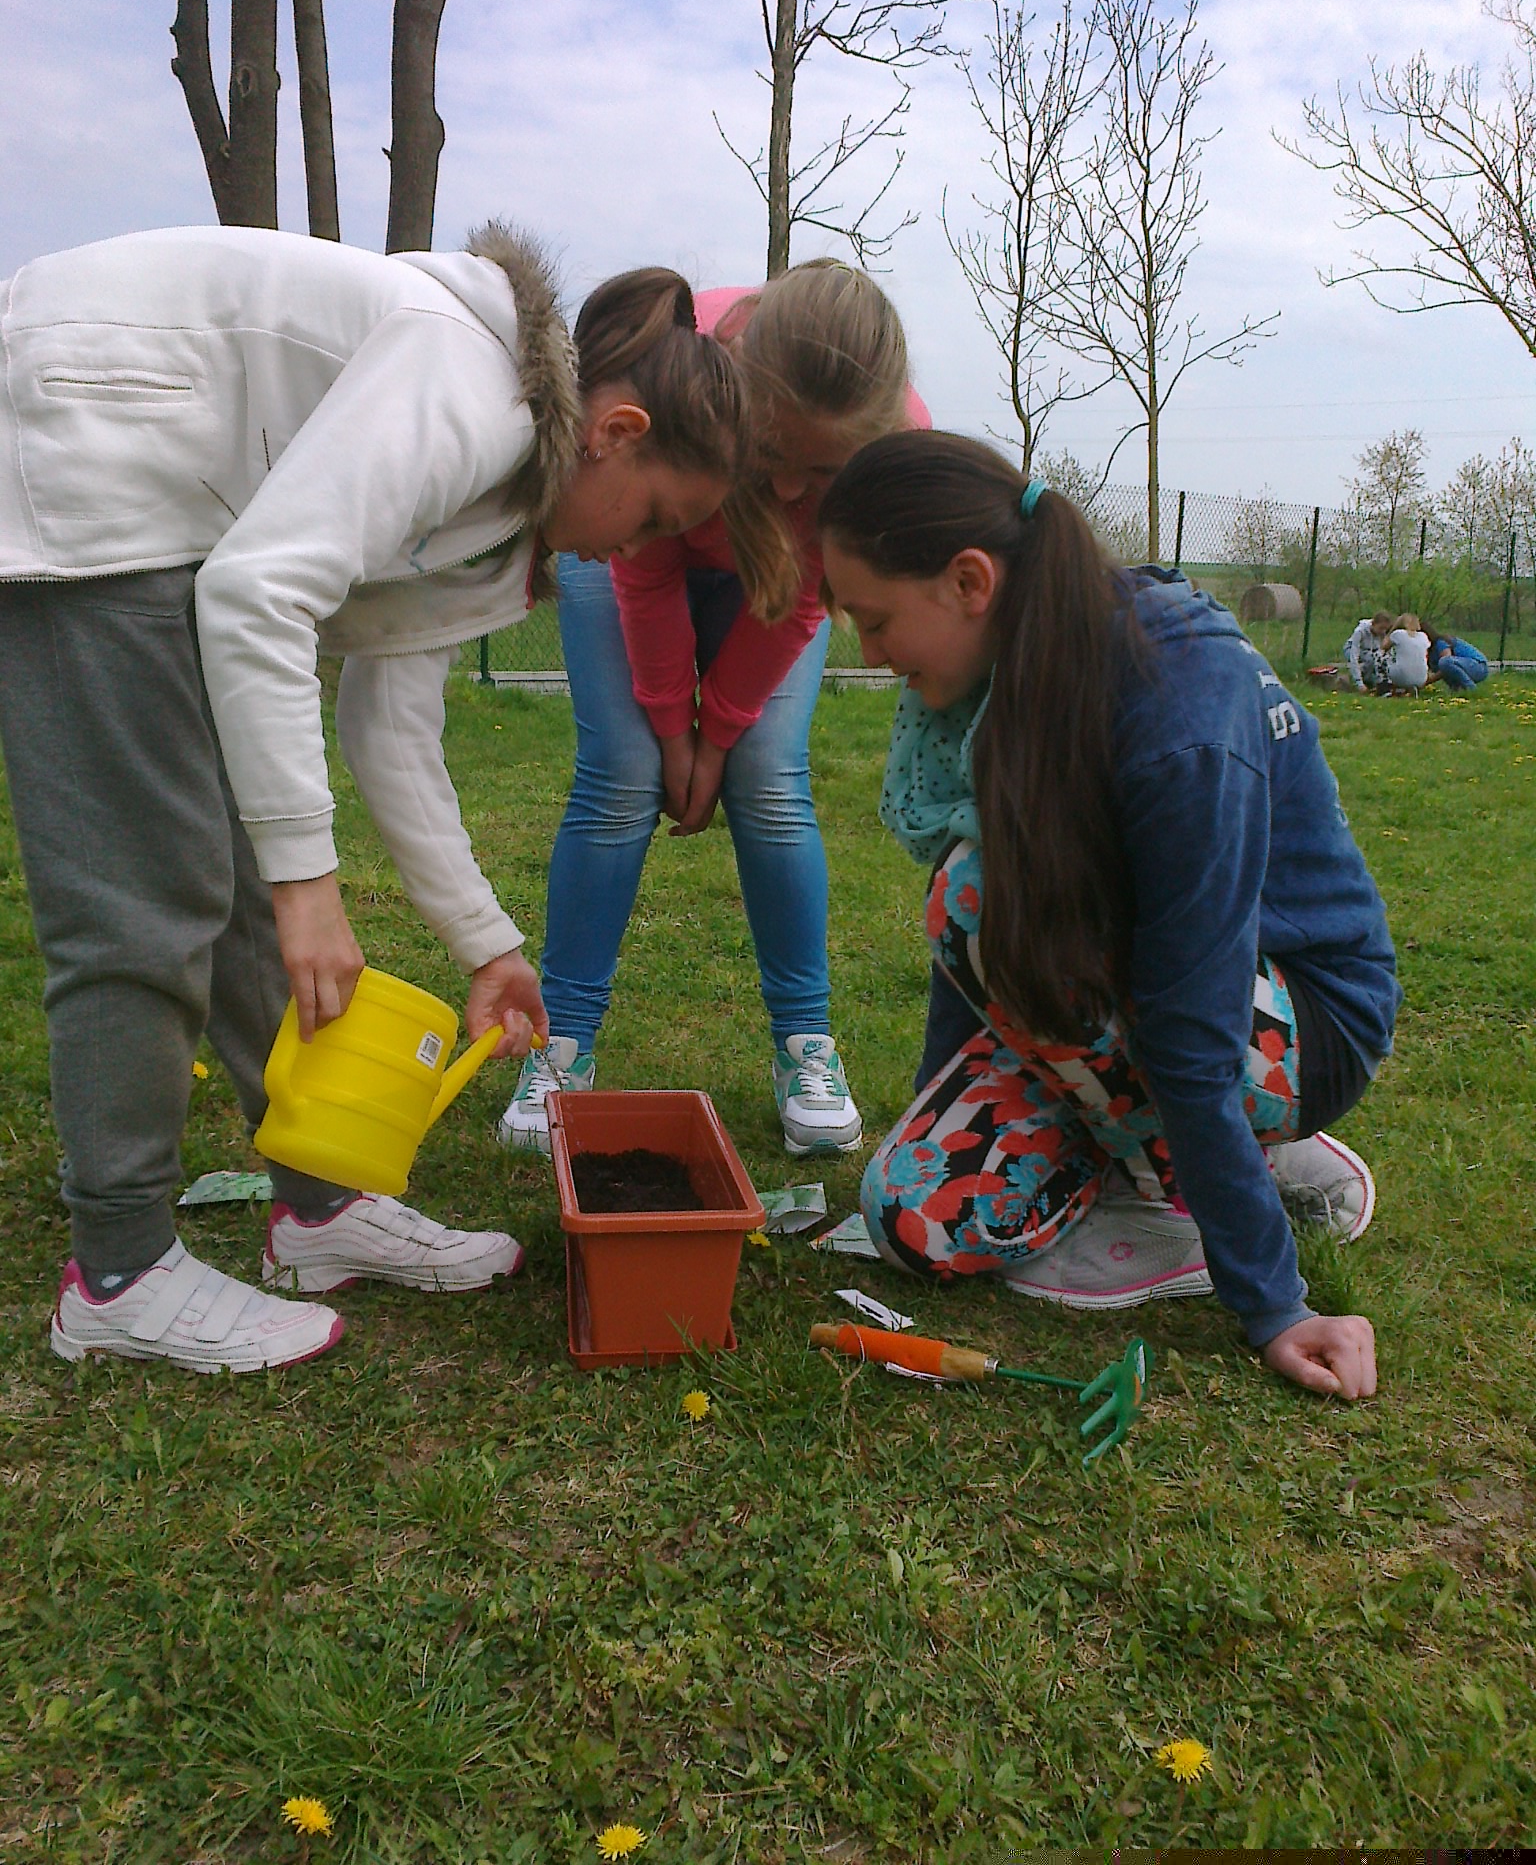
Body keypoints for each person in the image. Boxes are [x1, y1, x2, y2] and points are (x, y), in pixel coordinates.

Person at [0, 222, 745, 1373]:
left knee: (231, 880)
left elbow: (389, 725)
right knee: (145, 891)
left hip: (160, 497)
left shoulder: (499, 501)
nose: (631, 551)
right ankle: (119, 1272)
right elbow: (258, 594)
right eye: (650, 517)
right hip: (89, 446)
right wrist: (310, 886)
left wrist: (488, 945)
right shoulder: (468, 390)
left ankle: (317, 1207)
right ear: (616, 433)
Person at [818, 432, 1402, 1401]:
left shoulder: (1180, 714)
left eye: (875, 621)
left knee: (977, 895)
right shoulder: (1020, 666)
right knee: (910, 1216)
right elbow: (983, 969)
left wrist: (1274, 1303)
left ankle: (1207, 1191)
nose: (871, 654)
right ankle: (1201, 1156)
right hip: (1144, 998)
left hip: (1297, 1018)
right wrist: (930, 1115)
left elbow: (1186, 1024)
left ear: (969, 581)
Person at [499, 262, 927, 1159]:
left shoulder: (893, 442)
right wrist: (672, 736)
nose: (787, 492)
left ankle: (806, 1048)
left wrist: (720, 736)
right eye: (772, 456)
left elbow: (801, 602)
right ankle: (560, 1047)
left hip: (772, 591)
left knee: (769, 774)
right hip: (633, 548)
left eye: (819, 472)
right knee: (622, 771)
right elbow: (644, 569)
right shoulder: (694, 376)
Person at [1424, 622, 1490, 691]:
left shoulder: (1440, 643)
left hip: (1479, 667)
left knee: (1444, 662)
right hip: (1467, 667)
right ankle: (1456, 689)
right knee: (1438, 666)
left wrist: (1429, 680)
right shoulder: (1429, 653)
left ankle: (1471, 688)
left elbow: (1446, 662)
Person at [1343, 610, 1393, 691]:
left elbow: (1387, 655)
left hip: (1369, 651)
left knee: (1376, 659)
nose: (1383, 631)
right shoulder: (1360, 631)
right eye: (1381, 628)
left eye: (1385, 629)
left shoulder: (1383, 634)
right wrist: (1359, 683)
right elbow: (1354, 656)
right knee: (1370, 660)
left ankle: (1375, 680)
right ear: (1373, 624)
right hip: (1351, 649)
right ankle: (1363, 680)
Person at [1383, 612, 1431, 694]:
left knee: (1380, 657)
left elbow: (1383, 647)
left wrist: (1392, 629)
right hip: (1421, 679)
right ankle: (1410, 689)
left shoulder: (1398, 634)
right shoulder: (1423, 636)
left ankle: (1383, 688)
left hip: (1401, 677)